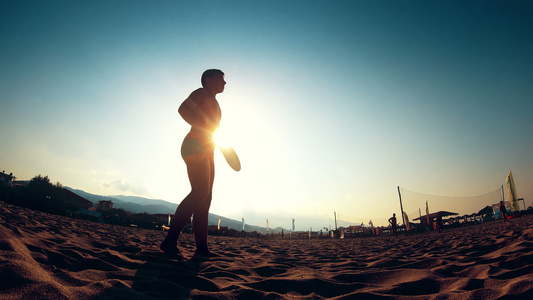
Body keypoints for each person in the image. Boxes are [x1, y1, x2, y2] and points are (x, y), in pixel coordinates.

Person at [160, 69, 226, 259]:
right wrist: (203, 127)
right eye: (221, 79)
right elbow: (183, 109)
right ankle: (170, 241)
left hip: (208, 149)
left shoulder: (214, 101)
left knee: (205, 200)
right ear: (208, 80)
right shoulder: (201, 92)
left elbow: (211, 128)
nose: (225, 83)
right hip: (194, 144)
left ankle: (202, 249)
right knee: (200, 192)